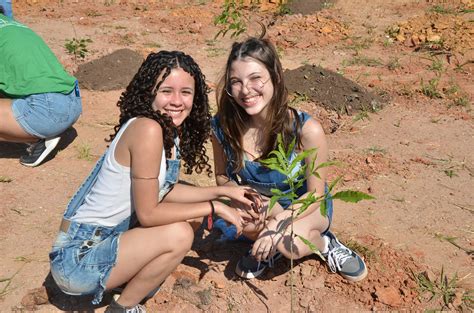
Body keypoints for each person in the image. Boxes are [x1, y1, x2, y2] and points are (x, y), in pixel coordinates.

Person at [49, 50, 258, 313]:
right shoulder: (147, 129)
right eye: (166, 91)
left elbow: (165, 191)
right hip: (78, 259)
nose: (176, 101)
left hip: (106, 238)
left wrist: (222, 193)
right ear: (150, 92)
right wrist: (216, 208)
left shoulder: (168, 130)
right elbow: (149, 214)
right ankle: (124, 307)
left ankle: (127, 277)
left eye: (185, 92)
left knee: (193, 204)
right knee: (179, 234)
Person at [211, 36, 368, 282]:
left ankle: (324, 244)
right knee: (240, 218)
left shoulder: (306, 130)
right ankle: (267, 244)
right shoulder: (222, 127)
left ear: (275, 77)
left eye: (256, 78)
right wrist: (245, 197)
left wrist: (278, 223)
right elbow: (222, 176)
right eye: (236, 82)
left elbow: (315, 194)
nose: (246, 90)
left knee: (289, 243)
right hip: (263, 201)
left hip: (307, 203)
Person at [0, 12, 82, 167]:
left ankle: (38, 136)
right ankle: (50, 129)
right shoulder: (10, 24)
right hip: (71, 103)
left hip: (45, 111)